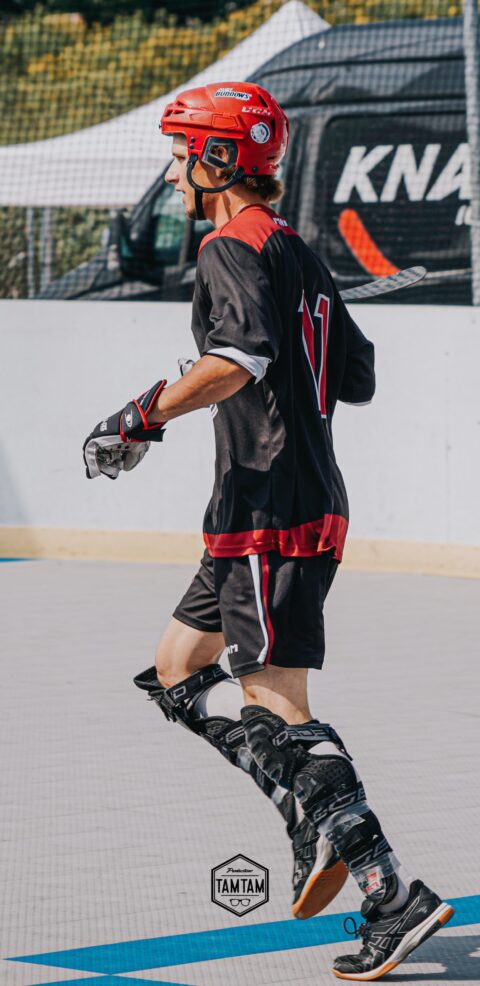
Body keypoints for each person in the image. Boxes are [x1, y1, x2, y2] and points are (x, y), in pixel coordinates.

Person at [83, 81, 453, 980]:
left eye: (183, 154)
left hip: (271, 514)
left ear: (219, 159)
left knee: (279, 709)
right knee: (179, 671)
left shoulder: (230, 246)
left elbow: (238, 359)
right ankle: (307, 812)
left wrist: (140, 414)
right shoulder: (290, 249)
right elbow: (356, 377)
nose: (175, 171)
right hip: (260, 510)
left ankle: (391, 894)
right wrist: (296, 316)